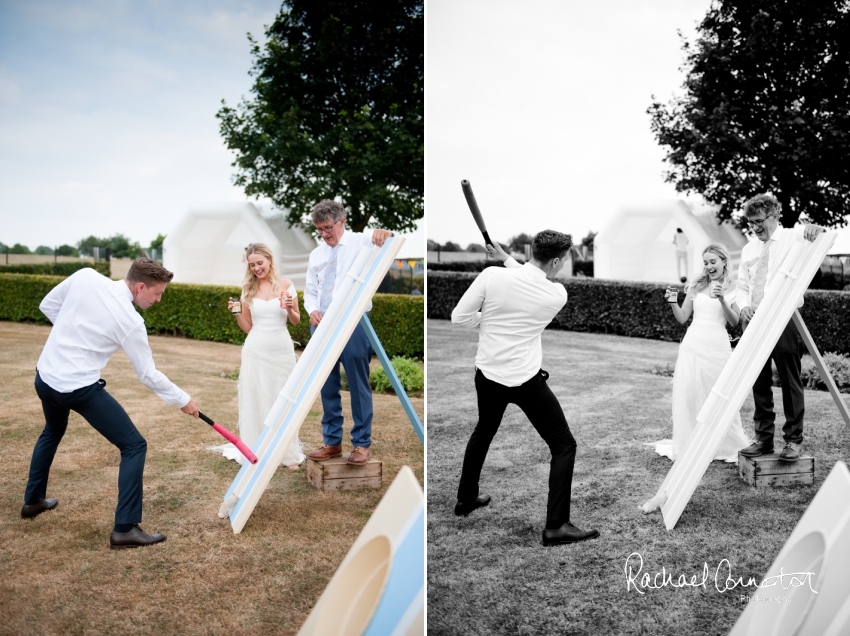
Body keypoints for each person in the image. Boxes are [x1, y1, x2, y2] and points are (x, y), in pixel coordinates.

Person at [22, 259, 201, 549]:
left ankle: (32, 502)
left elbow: (48, 305)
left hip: (45, 379)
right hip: (76, 388)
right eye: (157, 294)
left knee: (52, 431)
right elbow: (148, 375)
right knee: (134, 445)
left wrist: (76, 335)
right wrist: (184, 400)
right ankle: (125, 529)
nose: (158, 300)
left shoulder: (85, 276)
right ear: (140, 286)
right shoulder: (130, 322)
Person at [451, 231, 599, 546]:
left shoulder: (491, 277)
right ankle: (556, 526)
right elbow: (528, 280)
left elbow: (458, 318)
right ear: (557, 260)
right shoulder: (556, 294)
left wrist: (489, 319)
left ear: (532, 250)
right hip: (525, 380)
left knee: (484, 430)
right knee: (564, 446)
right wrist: (505, 261)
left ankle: (465, 500)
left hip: (488, 376)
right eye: (565, 259)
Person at [303, 199, 394, 465]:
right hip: (321, 325)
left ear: (342, 221)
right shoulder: (316, 255)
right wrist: (311, 310)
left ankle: (361, 444)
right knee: (327, 385)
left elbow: (389, 240)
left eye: (328, 227)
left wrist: (385, 234)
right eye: (319, 229)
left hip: (354, 322)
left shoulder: (361, 241)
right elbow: (310, 291)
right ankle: (331, 442)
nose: (324, 233)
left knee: (358, 384)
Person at [736, 194, 826, 462]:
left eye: (760, 221)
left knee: (790, 380)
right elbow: (742, 287)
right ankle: (763, 440)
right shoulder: (748, 250)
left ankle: (793, 440)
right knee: (759, 382)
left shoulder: (793, 237)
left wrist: (815, 229)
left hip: (785, 318)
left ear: (774, 215)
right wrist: (742, 307)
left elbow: (819, 235)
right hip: (755, 324)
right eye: (751, 222)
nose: (755, 227)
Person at [647, 244, 751, 467]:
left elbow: (733, 322)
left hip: (717, 347)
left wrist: (722, 298)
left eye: (713, 261)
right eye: (705, 262)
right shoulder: (696, 285)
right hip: (693, 345)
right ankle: (692, 441)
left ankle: (722, 442)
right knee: (691, 392)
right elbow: (683, 317)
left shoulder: (732, 287)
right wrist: (673, 302)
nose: (709, 266)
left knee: (718, 395)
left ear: (723, 261)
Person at [212, 243, 304, 469]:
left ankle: (287, 454)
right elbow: (247, 326)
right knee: (257, 397)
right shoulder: (248, 290)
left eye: (259, 263)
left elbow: (296, 321)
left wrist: (292, 308)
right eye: (252, 265)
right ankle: (256, 449)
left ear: (269, 260)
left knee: (282, 399)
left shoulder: (286, 285)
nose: (256, 268)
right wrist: (236, 312)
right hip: (256, 349)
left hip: (281, 349)